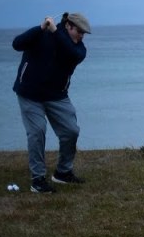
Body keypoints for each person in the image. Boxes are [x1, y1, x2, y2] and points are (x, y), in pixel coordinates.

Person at [12, 12, 92, 193]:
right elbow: (17, 44)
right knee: (37, 132)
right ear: (69, 26)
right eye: (79, 31)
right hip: (30, 93)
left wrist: (55, 32)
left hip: (57, 96)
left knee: (71, 131)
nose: (81, 36)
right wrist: (40, 29)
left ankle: (63, 172)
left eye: (84, 34)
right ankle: (38, 179)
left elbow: (69, 52)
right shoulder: (43, 35)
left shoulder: (79, 49)